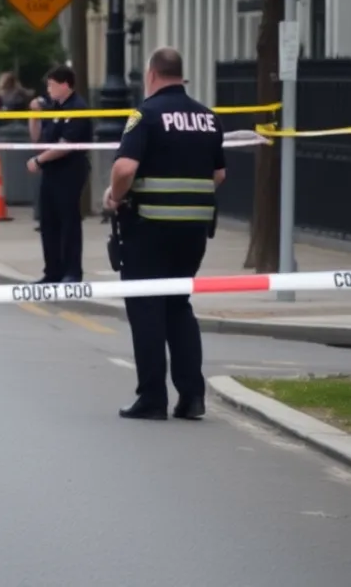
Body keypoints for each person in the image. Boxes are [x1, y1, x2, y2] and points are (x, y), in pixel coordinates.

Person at [104, 47, 225, 421]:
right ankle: (192, 397)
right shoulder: (207, 118)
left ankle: (152, 397)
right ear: (181, 75)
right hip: (192, 232)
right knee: (178, 307)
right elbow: (219, 175)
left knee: (146, 309)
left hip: (149, 228)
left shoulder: (146, 114)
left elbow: (125, 168)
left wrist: (113, 195)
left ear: (153, 75)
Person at [26, 65, 92, 283]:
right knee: (48, 222)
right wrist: (33, 116)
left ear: (65, 85)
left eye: (51, 85)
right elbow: (39, 141)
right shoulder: (54, 108)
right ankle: (52, 272)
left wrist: (39, 160)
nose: (48, 89)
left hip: (70, 172)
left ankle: (72, 272)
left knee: (68, 222)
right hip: (51, 173)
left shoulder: (77, 108)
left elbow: (66, 145)